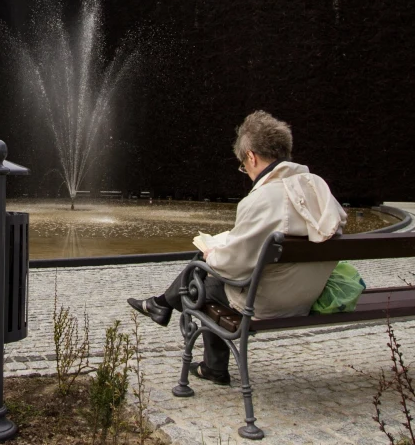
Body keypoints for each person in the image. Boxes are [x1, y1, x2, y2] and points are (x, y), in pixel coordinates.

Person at [126, 110, 346, 384]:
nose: (247, 171)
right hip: (308, 294)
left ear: (251, 156)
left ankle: (173, 317)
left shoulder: (262, 198)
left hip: (266, 301)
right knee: (207, 269)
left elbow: (231, 266)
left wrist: (211, 253)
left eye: (244, 165)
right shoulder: (319, 188)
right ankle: (162, 307)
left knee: (200, 281)